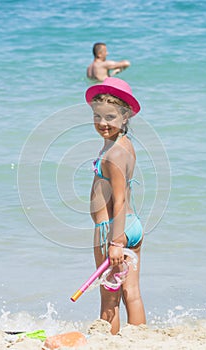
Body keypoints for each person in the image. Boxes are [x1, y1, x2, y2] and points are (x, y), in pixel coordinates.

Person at [85, 77, 146, 334]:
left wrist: (115, 242)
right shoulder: (122, 144)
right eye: (97, 116)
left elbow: (118, 199)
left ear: (125, 118)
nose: (102, 123)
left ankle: (110, 341)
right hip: (131, 225)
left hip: (112, 229)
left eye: (110, 117)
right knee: (131, 290)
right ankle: (140, 339)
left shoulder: (114, 154)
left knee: (109, 297)